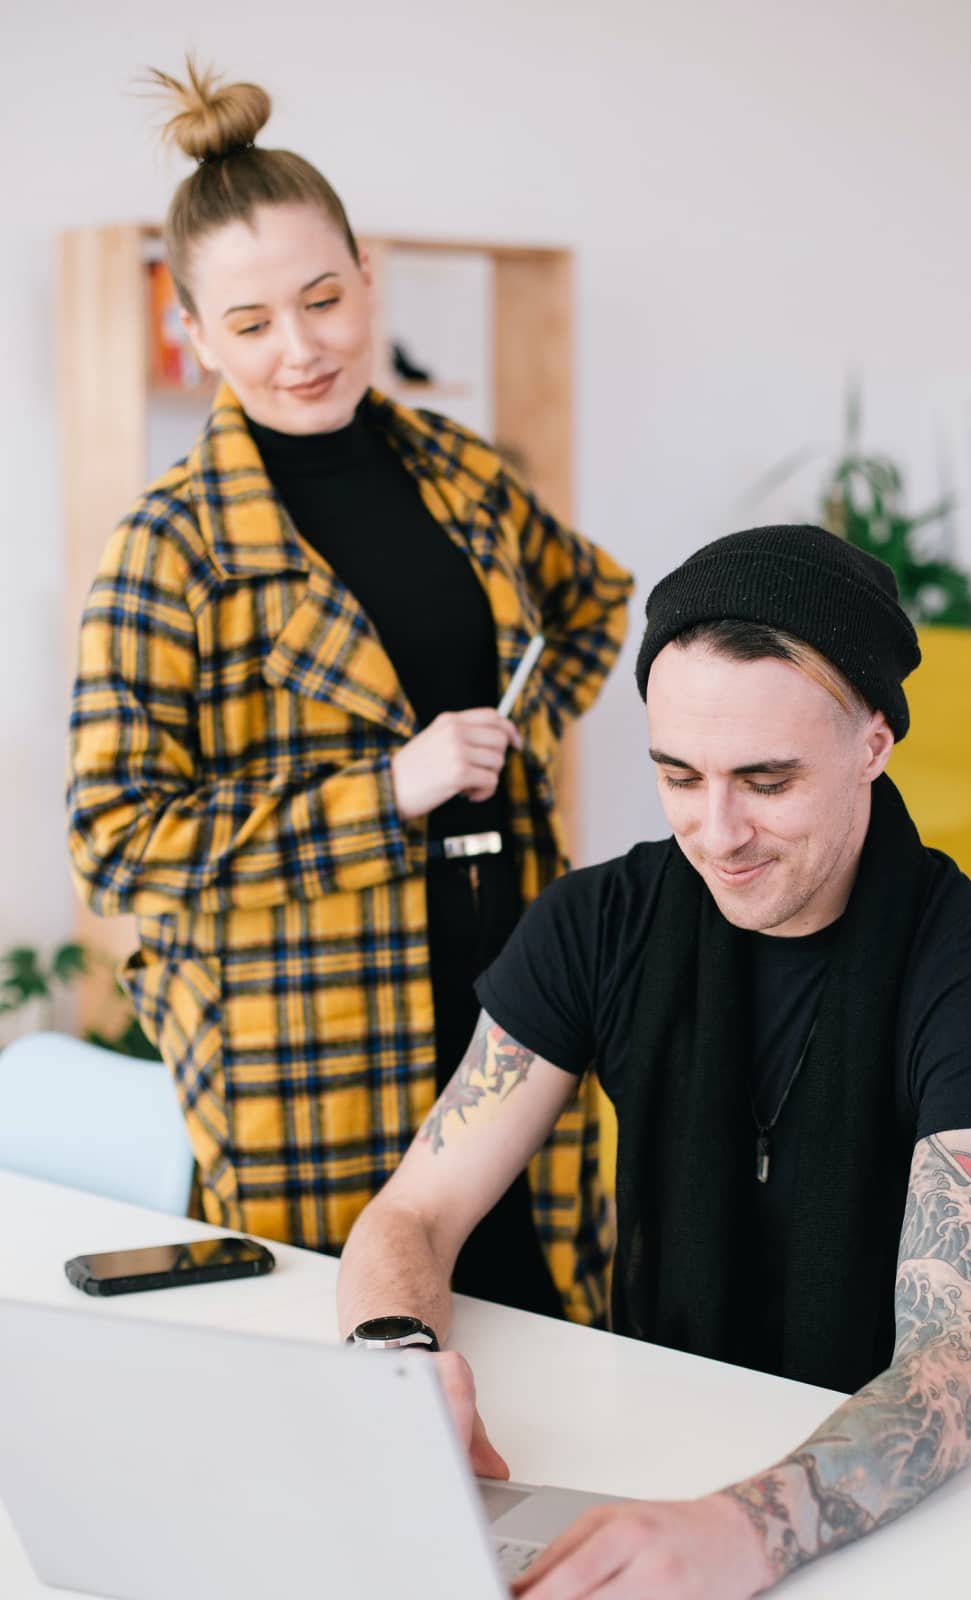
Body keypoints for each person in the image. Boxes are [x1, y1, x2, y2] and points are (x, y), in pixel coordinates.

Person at [337, 524, 971, 1597]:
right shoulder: (602, 923)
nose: (717, 832)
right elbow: (414, 1214)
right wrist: (396, 1367)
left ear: (874, 741)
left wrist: (747, 1531)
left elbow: (953, 1369)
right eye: (679, 775)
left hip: (916, 1517)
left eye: (767, 780)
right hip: (659, 1449)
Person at [66, 60, 632, 1327]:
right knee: (352, 1376)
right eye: (253, 323)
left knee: (553, 1337)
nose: (302, 347)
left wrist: (509, 746)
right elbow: (113, 847)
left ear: (369, 278)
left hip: (513, 988)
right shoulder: (170, 546)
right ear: (194, 334)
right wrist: (389, 792)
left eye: (324, 299)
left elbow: (591, 601)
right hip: (304, 1043)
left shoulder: (458, 470)